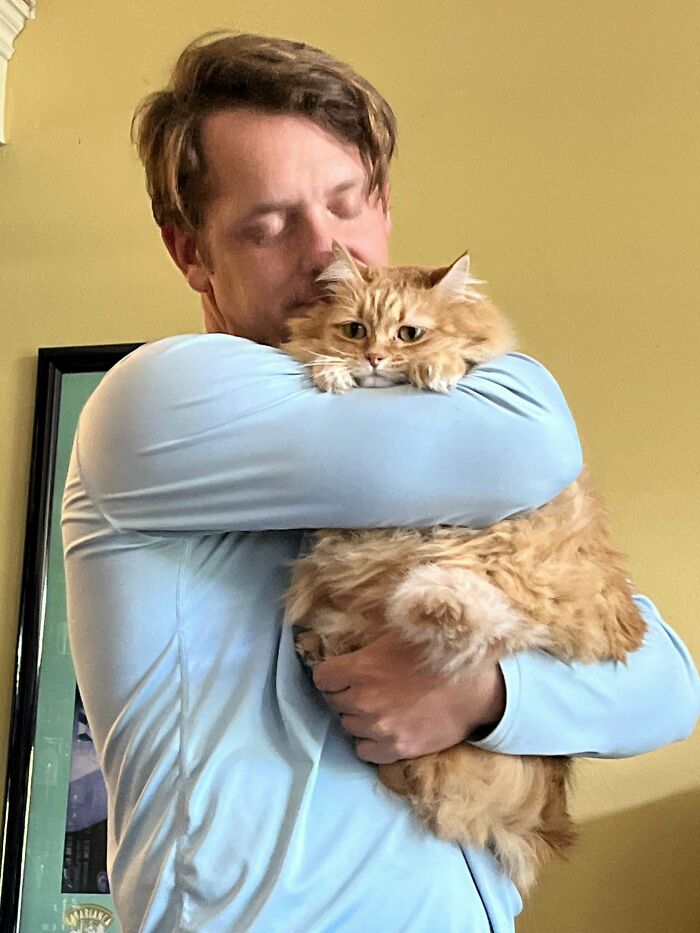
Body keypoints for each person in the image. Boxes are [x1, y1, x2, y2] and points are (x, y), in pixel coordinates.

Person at [61, 32, 699, 933]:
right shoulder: (158, 398)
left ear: (386, 206)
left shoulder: (430, 416)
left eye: (345, 204)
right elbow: (534, 435)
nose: (328, 253)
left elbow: (667, 686)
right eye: (269, 223)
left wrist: (481, 697)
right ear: (191, 254)